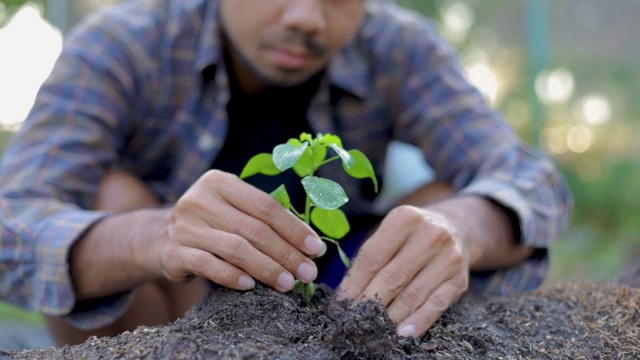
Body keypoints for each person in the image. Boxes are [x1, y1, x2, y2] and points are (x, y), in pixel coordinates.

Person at [0, 0, 572, 346]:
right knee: (109, 193)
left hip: (341, 299)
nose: (307, 18)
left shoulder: (396, 48)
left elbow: (528, 178)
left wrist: (462, 228)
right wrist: (153, 235)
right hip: (164, 311)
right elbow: (12, 218)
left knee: (451, 200)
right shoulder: (126, 43)